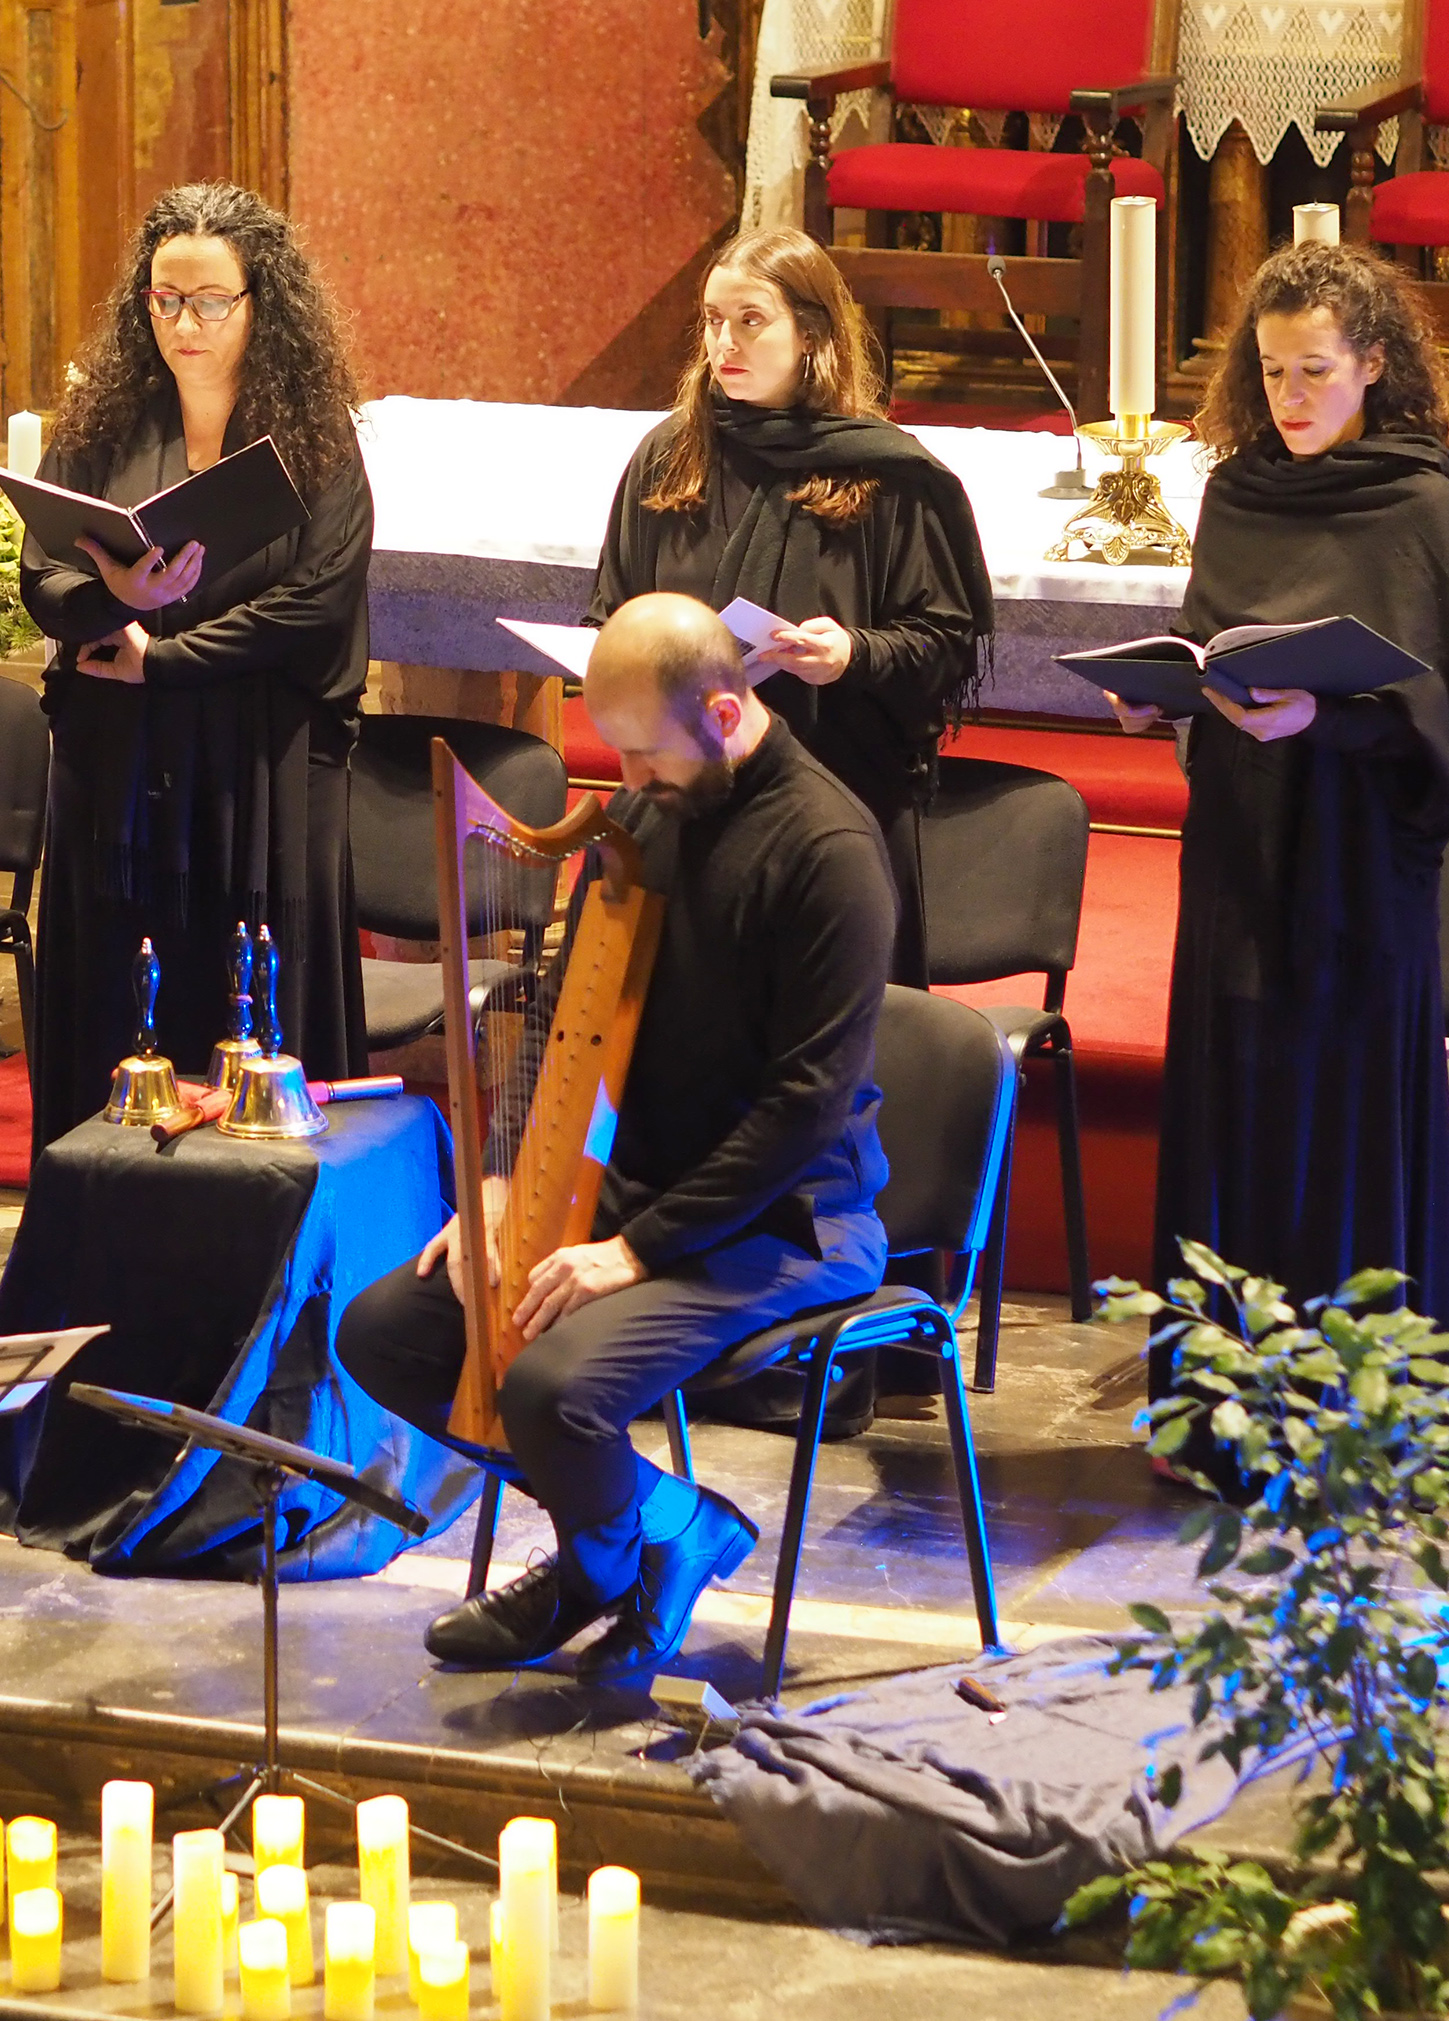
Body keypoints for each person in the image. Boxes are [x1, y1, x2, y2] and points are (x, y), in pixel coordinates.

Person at [334, 593, 894, 1688]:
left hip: (789, 1219)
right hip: (636, 1193)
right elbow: (552, 1016)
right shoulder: (643, 823)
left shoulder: (829, 851)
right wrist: (499, 1182)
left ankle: (595, 1566)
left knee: (550, 1383)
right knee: (390, 1330)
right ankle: (661, 1525)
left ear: (728, 713)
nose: (623, 781)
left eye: (643, 754)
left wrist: (633, 1251)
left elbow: (805, 1107)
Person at [1106, 241, 1449, 1431]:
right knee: (1232, 1101)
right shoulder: (1237, 488)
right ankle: (1220, 1411)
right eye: (1274, 371)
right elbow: (1207, 640)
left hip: (1360, 857)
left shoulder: (1418, 496)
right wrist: (1161, 695)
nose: (1291, 398)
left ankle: (1357, 1409)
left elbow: (1441, 709)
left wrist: (1328, 716)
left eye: (1315, 372)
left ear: (1372, 367)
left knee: (1342, 1117)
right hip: (1242, 841)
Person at [20, 181, 373, 1149]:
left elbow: (316, 599)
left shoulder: (314, 438)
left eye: (211, 299)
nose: (186, 321)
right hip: (122, 768)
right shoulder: (104, 425)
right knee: (124, 1007)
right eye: (165, 297)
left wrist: (163, 658)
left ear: (261, 303)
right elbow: (42, 570)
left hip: (261, 768)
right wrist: (116, 603)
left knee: (251, 1012)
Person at [590, 225, 992, 988]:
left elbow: (946, 642)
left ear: (810, 334)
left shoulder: (887, 474)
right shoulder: (668, 455)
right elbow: (610, 608)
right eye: (712, 320)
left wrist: (850, 655)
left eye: (750, 319)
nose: (724, 341)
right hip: (690, 799)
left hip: (838, 804)